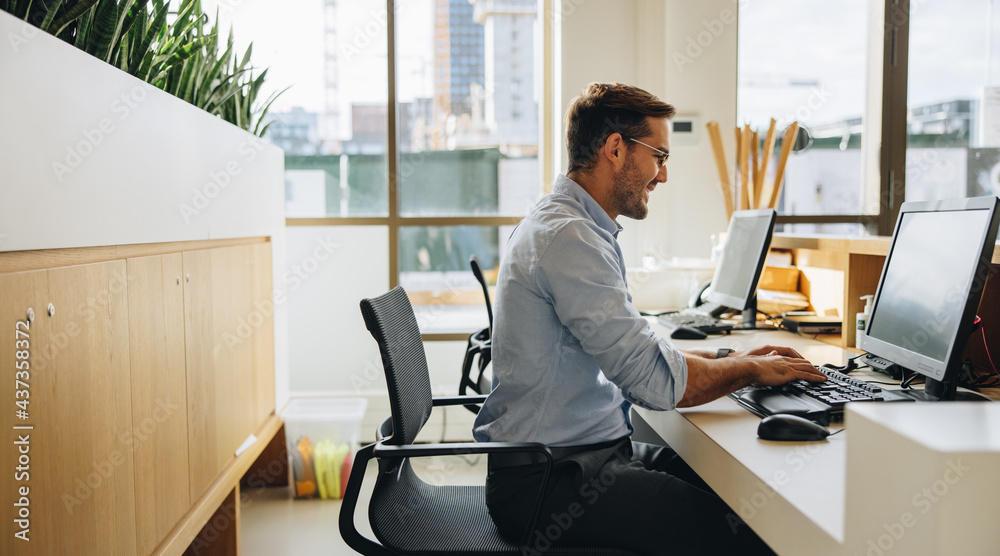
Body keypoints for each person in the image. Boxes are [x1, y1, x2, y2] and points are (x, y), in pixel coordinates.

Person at [472, 82, 827, 555]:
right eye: (659, 156)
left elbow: (639, 349)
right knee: (750, 533)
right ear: (616, 149)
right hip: (549, 482)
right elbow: (653, 383)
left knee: (742, 499)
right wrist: (748, 370)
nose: (662, 176)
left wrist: (731, 357)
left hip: (576, 459)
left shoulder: (574, 225)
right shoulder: (569, 237)